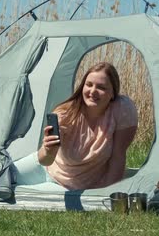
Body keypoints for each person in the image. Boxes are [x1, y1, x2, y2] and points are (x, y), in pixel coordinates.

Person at [36, 61, 138, 190]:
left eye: (101, 87)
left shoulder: (122, 109)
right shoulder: (65, 115)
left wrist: (108, 193)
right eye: (89, 85)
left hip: (92, 184)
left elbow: (118, 156)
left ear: (113, 93)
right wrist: (47, 150)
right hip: (52, 176)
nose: (93, 91)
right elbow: (45, 161)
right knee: (6, 176)